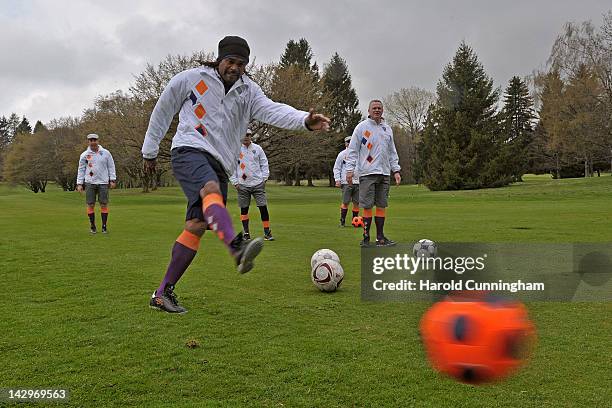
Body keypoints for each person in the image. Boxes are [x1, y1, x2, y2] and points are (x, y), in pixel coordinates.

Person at [142, 36, 330, 313]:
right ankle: (236, 246)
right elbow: (163, 110)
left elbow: (273, 110)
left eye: (241, 63)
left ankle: (162, 293)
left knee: (196, 226)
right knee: (210, 191)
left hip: (221, 164)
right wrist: (149, 151)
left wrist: (304, 120)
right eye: (230, 61)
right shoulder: (191, 79)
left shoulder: (249, 91)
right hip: (189, 149)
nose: (235, 67)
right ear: (219, 59)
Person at [345, 100, 401, 247]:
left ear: (382, 110)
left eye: (379, 108)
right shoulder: (361, 128)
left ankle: (380, 238)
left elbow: (392, 152)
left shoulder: (387, 129)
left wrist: (396, 170)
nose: (377, 110)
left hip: (384, 173)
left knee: (382, 205)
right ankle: (366, 238)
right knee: (367, 206)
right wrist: (349, 171)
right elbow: (352, 150)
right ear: (369, 111)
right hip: (367, 173)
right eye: (374, 108)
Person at [230, 129, 274, 241]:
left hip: (258, 183)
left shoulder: (257, 148)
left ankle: (267, 232)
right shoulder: (236, 149)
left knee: (263, 207)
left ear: (251, 136)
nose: (246, 137)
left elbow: (264, 163)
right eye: (244, 135)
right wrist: (235, 182)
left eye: (248, 135)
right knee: (244, 209)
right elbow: (231, 167)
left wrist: (264, 178)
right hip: (242, 185)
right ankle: (246, 233)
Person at [76, 133, 116, 234]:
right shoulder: (84, 155)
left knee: (103, 204)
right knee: (90, 204)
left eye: (95, 140)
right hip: (90, 182)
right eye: (91, 140)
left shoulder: (106, 153)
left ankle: (104, 226)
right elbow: (81, 169)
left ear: (98, 141)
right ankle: (93, 226)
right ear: (88, 142)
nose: (93, 142)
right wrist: (79, 183)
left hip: (103, 182)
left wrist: (112, 179)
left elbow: (111, 166)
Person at [333, 135, 360, 227]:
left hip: (358, 182)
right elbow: (337, 168)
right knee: (345, 202)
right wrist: (337, 179)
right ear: (345, 143)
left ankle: (355, 221)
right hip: (346, 182)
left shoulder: (359, 154)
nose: (349, 143)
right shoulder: (342, 154)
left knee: (357, 203)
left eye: (351, 142)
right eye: (348, 142)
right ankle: (342, 221)